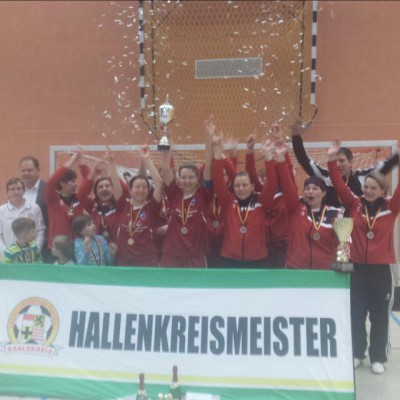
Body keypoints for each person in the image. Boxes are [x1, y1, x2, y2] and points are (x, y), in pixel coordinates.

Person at [328, 139, 400, 375]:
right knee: (356, 314)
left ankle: (378, 357)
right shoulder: (355, 204)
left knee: (380, 316)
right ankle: (358, 353)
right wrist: (331, 160)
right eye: (366, 187)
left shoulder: (391, 207)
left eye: (373, 188)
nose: (368, 191)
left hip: (381, 270)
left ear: (383, 191)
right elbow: (339, 185)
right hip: (357, 268)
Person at [291, 119, 399, 209]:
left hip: (357, 225)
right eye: (335, 160)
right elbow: (304, 160)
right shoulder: (324, 176)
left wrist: (397, 156)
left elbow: (384, 167)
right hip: (329, 224)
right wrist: (296, 137)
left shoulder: (362, 177)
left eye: (342, 161)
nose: (338, 164)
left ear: (351, 162)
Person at [274, 140, 342, 270]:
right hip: (296, 269)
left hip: (324, 272)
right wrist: (282, 159)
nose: (310, 191)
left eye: (315, 188)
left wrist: (342, 269)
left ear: (324, 193)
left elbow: (344, 244)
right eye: (307, 188)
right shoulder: (296, 208)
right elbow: (287, 184)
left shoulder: (335, 213)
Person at [212, 135, 277, 268]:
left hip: (257, 260)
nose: (241, 189)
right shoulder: (228, 201)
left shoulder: (262, 201)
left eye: (244, 185)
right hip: (229, 259)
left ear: (252, 186)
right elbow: (218, 182)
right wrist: (218, 156)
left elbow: (271, 184)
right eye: (237, 186)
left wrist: (268, 157)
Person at [160, 122, 213, 268]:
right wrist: (165, 137)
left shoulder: (204, 194)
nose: (187, 181)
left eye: (191, 177)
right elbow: (165, 168)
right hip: (171, 253)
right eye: (183, 177)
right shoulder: (174, 193)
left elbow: (208, 165)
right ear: (179, 179)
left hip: (195, 255)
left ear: (197, 179)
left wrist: (209, 138)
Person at [244, 127, 291, 268]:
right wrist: (249, 151)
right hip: (262, 243)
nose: (265, 181)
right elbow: (251, 174)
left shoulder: (287, 194)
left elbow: (287, 171)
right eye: (263, 179)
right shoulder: (261, 193)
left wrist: (279, 142)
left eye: (268, 178)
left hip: (283, 245)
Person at [113, 145, 163, 267]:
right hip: (124, 261)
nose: (141, 190)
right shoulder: (122, 205)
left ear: (149, 190)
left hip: (147, 261)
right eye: (137, 187)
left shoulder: (152, 206)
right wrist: (110, 163)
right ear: (130, 190)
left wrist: (146, 160)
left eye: (144, 187)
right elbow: (114, 182)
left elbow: (159, 183)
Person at [77, 149, 128, 243]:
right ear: (96, 192)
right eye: (100, 187)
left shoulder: (120, 204)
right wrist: (93, 172)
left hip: (118, 248)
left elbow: (124, 190)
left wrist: (107, 169)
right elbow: (80, 195)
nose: (104, 189)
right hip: (98, 248)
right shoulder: (92, 206)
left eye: (107, 186)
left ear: (113, 190)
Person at [45, 150, 85, 252]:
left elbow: (87, 182)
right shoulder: (53, 200)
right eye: (72, 181)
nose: (76, 184)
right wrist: (73, 159)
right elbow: (51, 182)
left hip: (77, 247)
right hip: (57, 249)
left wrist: (81, 161)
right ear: (62, 183)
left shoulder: (79, 199)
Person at [0, 178, 45, 257]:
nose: (16, 192)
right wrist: (7, 254)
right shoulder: (1, 211)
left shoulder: (35, 208)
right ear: (7, 192)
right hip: (8, 258)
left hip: (31, 257)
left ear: (24, 191)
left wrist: (35, 252)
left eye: (19, 188)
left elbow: (40, 232)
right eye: (12, 189)